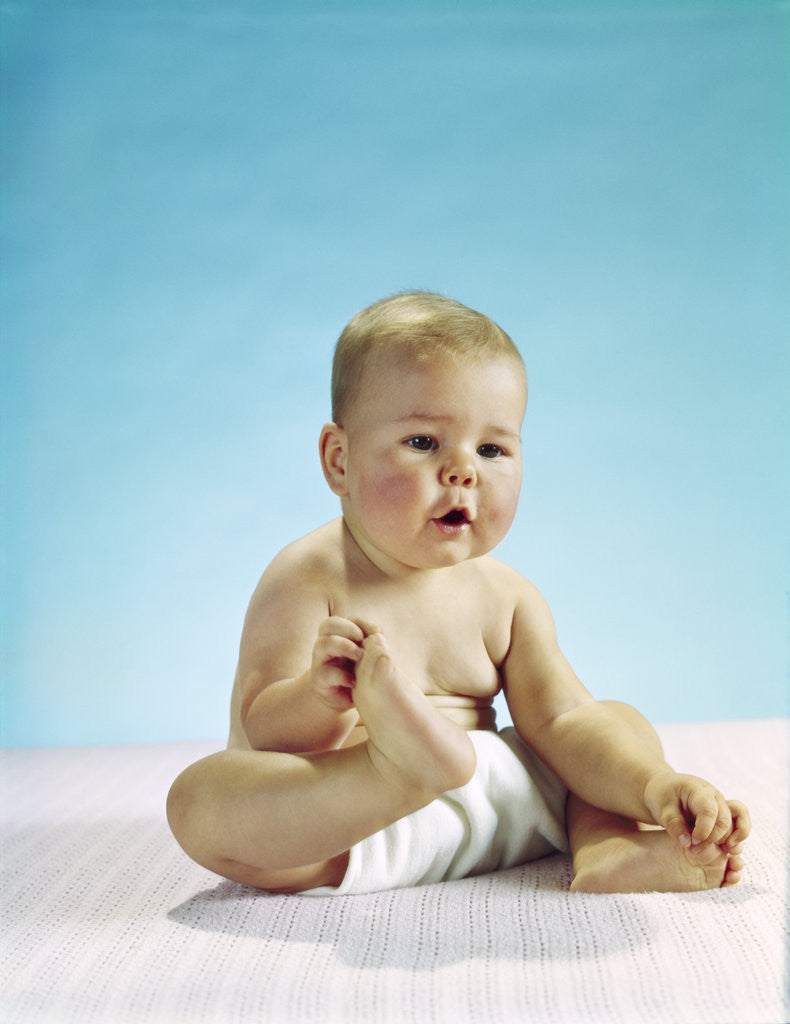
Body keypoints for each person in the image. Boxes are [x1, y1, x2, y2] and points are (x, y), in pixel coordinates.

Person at [167, 291, 750, 896]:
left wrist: (652, 785)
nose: (462, 471)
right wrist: (321, 697)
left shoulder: (506, 597)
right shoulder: (309, 577)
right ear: (340, 460)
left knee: (611, 722)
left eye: (492, 449)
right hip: (358, 823)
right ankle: (397, 771)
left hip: (499, 805)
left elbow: (560, 720)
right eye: (423, 442)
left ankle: (610, 846)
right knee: (202, 798)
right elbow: (263, 735)